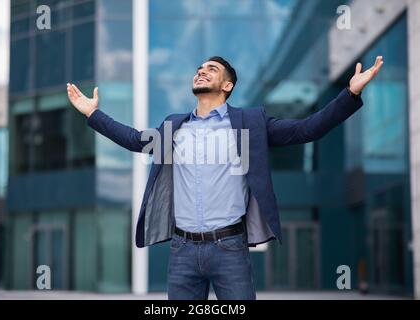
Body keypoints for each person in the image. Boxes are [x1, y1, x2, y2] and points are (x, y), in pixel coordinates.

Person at [67, 55, 384, 300]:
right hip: (182, 251)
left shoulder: (250, 123)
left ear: (228, 85)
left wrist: (349, 95)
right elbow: (136, 140)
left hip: (229, 248)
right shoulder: (174, 127)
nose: (202, 71)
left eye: (212, 69)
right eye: (200, 68)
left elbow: (306, 129)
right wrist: (93, 114)